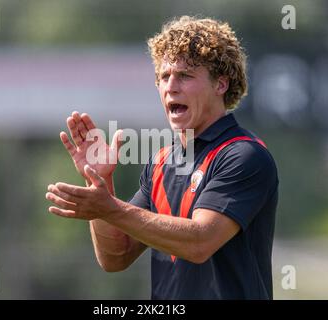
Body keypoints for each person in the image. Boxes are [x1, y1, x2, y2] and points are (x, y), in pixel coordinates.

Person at [45, 16, 279, 299]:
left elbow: (199, 243)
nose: (171, 86)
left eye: (185, 76)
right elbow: (116, 257)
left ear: (220, 84)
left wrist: (110, 208)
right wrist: (101, 183)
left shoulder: (243, 155)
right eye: (164, 77)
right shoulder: (162, 163)